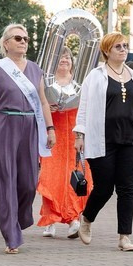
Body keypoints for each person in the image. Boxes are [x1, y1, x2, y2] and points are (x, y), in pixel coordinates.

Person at [73, 33, 133, 252]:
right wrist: (79, 134)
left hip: (132, 138)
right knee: (104, 187)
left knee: (127, 189)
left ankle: (124, 236)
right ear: (107, 51)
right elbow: (84, 106)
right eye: (118, 46)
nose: (122, 49)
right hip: (103, 139)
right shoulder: (96, 75)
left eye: (125, 46)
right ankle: (87, 218)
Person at [0, 24, 55, 254]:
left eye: (26, 38)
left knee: (29, 182)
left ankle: (19, 218)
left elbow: (42, 101)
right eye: (18, 38)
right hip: (4, 125)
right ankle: (11, 236)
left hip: (29, 127)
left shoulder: (35, 69)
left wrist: (50, 128)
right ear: (6, 44)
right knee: (6, 181)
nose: (23, 41)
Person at [36, 47, 90, 239]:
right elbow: (38, 104)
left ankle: (73, 218)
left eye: (67, 57)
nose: (64, 60)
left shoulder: (79, 84)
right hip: (53, 133)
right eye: (60, 58)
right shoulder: (47, 83)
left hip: (74, 135)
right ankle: (50, 218)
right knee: (51, 176)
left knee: (74, 175)